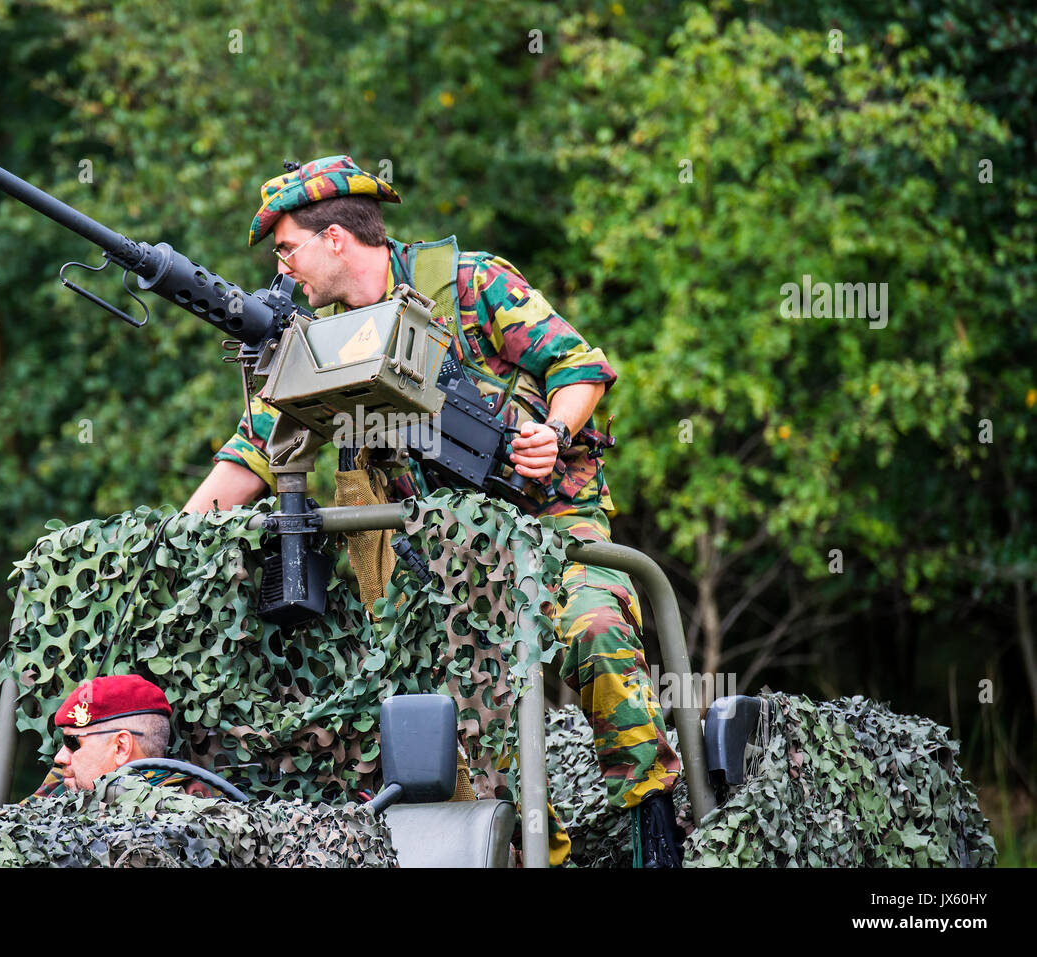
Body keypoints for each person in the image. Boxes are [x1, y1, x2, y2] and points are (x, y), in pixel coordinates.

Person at [183, 156, 684, 866]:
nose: (281, 266)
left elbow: (578, 366)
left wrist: (554, 434)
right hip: (447, 570)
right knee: (461, 725)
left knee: (594, 626)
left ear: (335, 239)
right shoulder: (321, 345)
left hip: (552, 528)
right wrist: (174, 537)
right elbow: (254, 452)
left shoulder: (468, 285)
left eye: (287, 245)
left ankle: (654, 830)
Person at [28, 673, 222, 800]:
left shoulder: (190, 806)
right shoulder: (61, 785)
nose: (59, 758)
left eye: (72, 743)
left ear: (121, 747)